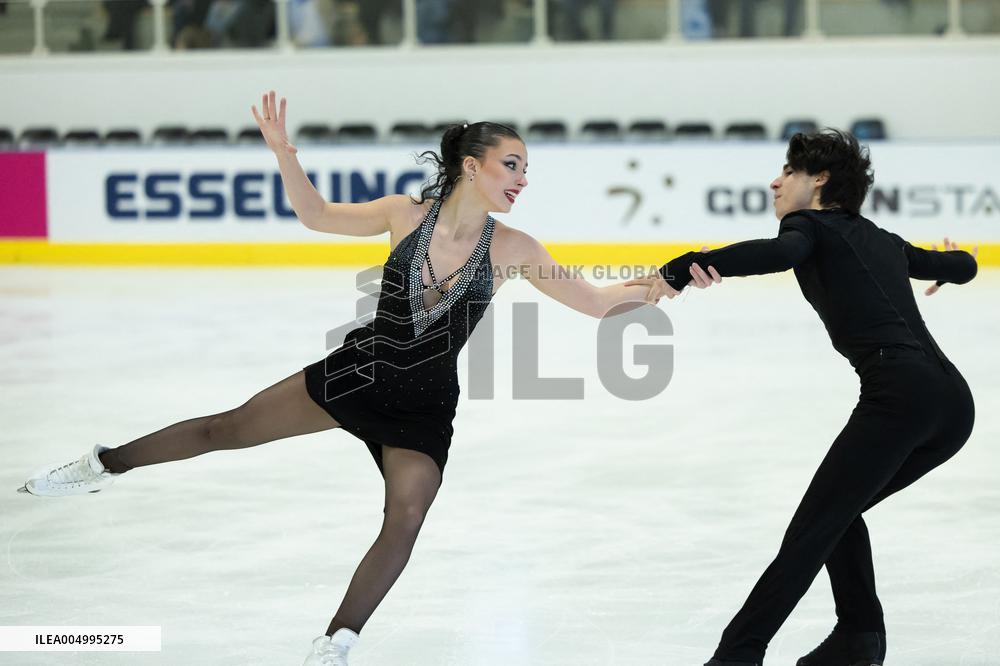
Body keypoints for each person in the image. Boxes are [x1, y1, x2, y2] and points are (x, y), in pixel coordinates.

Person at [18, 91, 719, 665]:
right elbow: (315, 215)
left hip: (422, 407)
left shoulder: (515, 248)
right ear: (471, 165)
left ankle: (336, 642)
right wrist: (285, 154)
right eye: (512, 164)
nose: (522, 178)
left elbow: (596, 303)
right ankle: (102, 464)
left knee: (406, 517)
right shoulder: (402, 214)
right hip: (358, 373)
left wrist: (666, 281)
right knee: (222, 429)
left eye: (525, 168)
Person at [628, 129, 978, 666]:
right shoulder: (883, 239)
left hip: (899, 394)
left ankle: (738, 653)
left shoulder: (808, 226)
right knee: (838, 514)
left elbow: (780, 253)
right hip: (952, 406)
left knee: (814, 527)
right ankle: (858, 637)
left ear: (820, 180)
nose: (775, 182)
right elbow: (963, 266)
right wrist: (953, 266)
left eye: (788, 171)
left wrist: (685, 265)